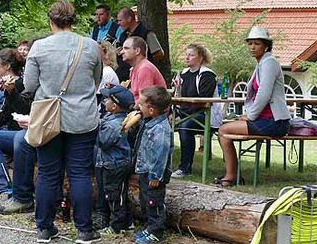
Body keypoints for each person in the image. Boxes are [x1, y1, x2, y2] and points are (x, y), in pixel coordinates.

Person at [24, 0, 102, 244]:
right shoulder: (90, 46)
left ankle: (44, 228)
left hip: (49, 118)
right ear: (73, 19)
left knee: (48, 172)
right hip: (83, 118)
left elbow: (29, 86)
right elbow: (96, 80)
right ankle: (84, 230)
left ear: (51, 20)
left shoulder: (39, 47)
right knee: (79, 173)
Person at [215, 27, 291, 187]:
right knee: (224, 128)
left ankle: (231, 176)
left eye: (257, 43)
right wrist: (248, 114)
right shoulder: (262, 63)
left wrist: (250, 116)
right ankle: (232, 175)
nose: (252, 47)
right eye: (250, 43)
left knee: (223, 130)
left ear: (266, 46)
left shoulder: (269, 62)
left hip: (274, 122)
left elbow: (264, 93)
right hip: (265, 120)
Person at [0, 49, 38, 215]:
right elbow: (6, 112)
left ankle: (8, 191)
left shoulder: (22, 84)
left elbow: (23, 110)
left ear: (7, 66)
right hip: (12, 131)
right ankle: (2, 191)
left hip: (26, 133)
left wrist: (11, 92)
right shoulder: (7, 84)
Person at [132, 86, 174, 244]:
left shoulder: (160, 129)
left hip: (154, 175)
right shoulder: (148, 121)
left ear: (151, 109)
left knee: (154, 202)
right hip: (145, 170)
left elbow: (160, 155)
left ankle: (156, 232)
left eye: (141, 104)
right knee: (145, 200)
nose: (137, 106)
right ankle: (149, 227)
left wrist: (156, 176)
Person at [172, 43, 219, 178]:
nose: (187, 58)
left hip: (206, 115)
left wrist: (182, 114)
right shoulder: (182, 74)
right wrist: (176, 113)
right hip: (186, 113)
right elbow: (177, 96)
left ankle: (185, 168)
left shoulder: (207, 75)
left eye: (191, 55)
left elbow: (203, 101)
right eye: (186, 55)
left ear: (201, 58)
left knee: (185, 127)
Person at [94, 84, 135, 234]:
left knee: (114, 195)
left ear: (115, 106)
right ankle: (127, 222)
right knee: (119, 193)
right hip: (112, 163)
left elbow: (103, 142)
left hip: (115, 164)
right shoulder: (113, 118)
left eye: (108, 100)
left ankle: (117, 225)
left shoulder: (114, 124)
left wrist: (96, 130)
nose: (105, 102)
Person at [115, 8, 163, 81]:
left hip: (142, 75)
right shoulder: (123, 35)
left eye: (120, 20)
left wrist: (143, 63)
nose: (118, 23)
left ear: (129, 19)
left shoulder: (146, 34)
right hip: (124, 77)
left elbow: (159, 54)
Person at [122, 36, 166, 101]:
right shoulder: (134, 69)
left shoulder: (145, 69)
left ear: (137, 51)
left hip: (152, 109)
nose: (121, 52)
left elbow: (145, 100)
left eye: (126, 48)